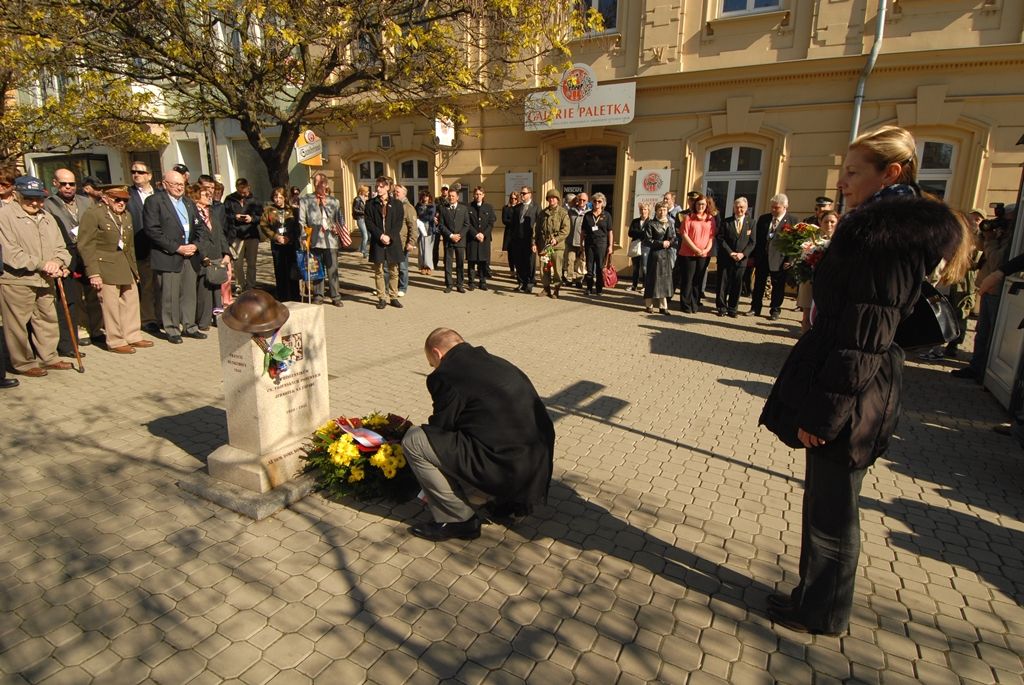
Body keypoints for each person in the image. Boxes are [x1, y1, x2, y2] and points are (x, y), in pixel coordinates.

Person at [759, 125, 969, 636]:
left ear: (890, 173)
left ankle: (823, 613)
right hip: (854, 382)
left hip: (854, 390)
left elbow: (866, 337)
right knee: (826, 502)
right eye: (843, 171)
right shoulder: (878, 227)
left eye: (854, 172)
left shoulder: (885, 236)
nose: (843, 182)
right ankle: (813, 596)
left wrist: (825, 415)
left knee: (832, 511)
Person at [401, 328, 555, 541]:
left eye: (431, 362)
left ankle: (458, 520)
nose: (433, 367)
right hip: (536, 464)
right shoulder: (495, 362)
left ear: (437, 353)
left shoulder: (447, 374)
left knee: (415, 441)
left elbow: (442, 428)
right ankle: (508, 503)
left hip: (506, 466)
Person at [0, 176, 74, 376]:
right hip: (17, 280)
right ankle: (23, 363)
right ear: (16, 195)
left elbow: (62, 248)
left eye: (39, 199)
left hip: (45, 279)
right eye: (29, 198)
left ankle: (48, 357)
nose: (35, 203)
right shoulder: (4, 216)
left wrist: (58, 263)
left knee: (47, 319)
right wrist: (43, 264)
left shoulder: (47, 217)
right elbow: (10, 253)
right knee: (17, 325)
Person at [77, 187, 154, 354]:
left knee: (131, 300)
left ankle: (132, 335)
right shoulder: (94, 214)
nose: (121, 203)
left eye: (125, 200)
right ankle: (115, 340)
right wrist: (93, 272)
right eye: (117, 199)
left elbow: (129, 245)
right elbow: (85, 245)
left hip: (125, 264)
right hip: (104, 265)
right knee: (110, 305)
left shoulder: (126, 215)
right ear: (105, 198)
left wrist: (135, 269)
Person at [951, 204, 1016, 381]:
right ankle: (976, 368)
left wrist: (992, 240)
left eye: (1007, 219)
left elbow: (996, 261)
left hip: (999, 292)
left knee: (991, 335)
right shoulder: (999, 234)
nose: (1002, 222)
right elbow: (980, 247)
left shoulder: (1013, 239)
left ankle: (986, 371)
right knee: (982, 332)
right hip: (988, 289)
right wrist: (986, 234)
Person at [143, 168, 207, 344]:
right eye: (175, 184)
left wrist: (196, 245)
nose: (179, 187)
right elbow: (152, 230)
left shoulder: (189, 203)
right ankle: (171, 329)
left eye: (182, 184)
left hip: (190, 254)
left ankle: (189, 326)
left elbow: (200, 227)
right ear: (165, 184)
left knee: (189, 293)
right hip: (169, 255)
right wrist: (177, 248)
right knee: (170, 295)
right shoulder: (154, 201)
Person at [43, 168, 102, 354]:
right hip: (66, 252)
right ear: (55, 184)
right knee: (71, 298)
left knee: (93, 292)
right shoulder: (48, 204)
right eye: (64, 184)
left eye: (72, 184)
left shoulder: (86, 201)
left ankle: (97, 329)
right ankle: (74, 337)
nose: (68, 187)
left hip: (87, 250)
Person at [299, 172, 346, 307]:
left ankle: (335, 296)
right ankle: (318, 295)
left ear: (325, 184)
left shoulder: (334, 201)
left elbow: (339, 220)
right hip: (314, 240)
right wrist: (303, 237)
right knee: (317, 270)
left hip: (330, 240)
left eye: (320, 183)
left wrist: (338, 228)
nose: (318, 185)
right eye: (316, 183)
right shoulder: (306, 200)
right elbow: (302, 221)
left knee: (332, 269)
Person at [190, 184, 232, 330]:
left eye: (209, 195)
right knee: (204, 290)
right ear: (196, 198)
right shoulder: (193, 213)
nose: (209, 198)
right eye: (205, 195)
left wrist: (226, 253)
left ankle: (218, 318)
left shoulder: (212, 212)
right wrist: (203, 256)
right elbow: (195, 237)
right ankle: (203, 320)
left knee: (217, 289)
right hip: (203, 256)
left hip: (217, 255)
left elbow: (220, 234)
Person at [749, 193, 798, 320]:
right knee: (759, 284)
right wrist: (753, 257)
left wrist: (790, 260)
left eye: (777, 208)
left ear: (785, 207)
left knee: (778, 286)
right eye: (772, 207)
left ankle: (775, 310)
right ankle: (755, 308)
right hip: (762, 258)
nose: (773, 210)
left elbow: (794, 243)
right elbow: (758, 240)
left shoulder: (793, 221)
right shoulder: (764, 219)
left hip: (780, 260)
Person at [365, 175, 410, 309]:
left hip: (392, 241)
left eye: (381, 186)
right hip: (378, 241)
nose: (378, 188)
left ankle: (393, 297)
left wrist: (389, 236)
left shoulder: (396, 204)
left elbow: (398, 223)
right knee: (379, 270)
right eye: (377, 186)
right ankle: (381, 297)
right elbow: (369, 222)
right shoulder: (370, 204)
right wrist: (380, 235)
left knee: (394, 270)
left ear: (388, 187)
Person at [127, 161, 161, 334]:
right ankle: (148, 319)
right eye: (133, 172)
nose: (136, 175)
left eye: (140, 172)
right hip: (140, 246)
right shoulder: (127, 195)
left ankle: (162, 316)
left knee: (161, 284)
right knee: (147, 285)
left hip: (161, 248)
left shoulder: (160, 194)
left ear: (149, 175)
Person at [796, 209, 839, 333]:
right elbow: (803, 259)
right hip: (810, 282)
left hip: (830, 285)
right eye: (826, 221)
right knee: (806, 317)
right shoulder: (812, 240)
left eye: (832, 222)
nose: (829, 225)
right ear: (821, 223)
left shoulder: (840, 241)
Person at [715, 197, 756, 318]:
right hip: (726, 258)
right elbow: (720, 239)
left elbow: (752, 242)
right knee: (723, 284)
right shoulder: (726, 221)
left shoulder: (752, 223)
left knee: (737, 285)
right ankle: (721, 308)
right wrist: (730, 252)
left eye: (742, 207)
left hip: (741, 260)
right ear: (733, 208)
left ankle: (733, 309)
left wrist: (743, 254)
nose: (739, 209)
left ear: (746, 208)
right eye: (737, 207)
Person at [259, 187, 301, 303]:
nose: (277, 200)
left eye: (280, 197)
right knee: (280, 271)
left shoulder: (292, 210)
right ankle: (283, 297)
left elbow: (297, 227)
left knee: (292, 271)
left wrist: (290, 237)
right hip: (277, 245)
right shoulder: (269, 210)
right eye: (275, 197)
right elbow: (264, 225)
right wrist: (275, 236)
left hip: (290, 244)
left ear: (284, 198)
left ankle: (295, 296)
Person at [677, 193, 716, 313]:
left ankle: (695, 303)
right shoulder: (688, 217)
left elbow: (711, 236)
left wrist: (705, 250)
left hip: (704, 255)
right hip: (688, 254)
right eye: (699, 204)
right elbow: (684, 235)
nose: (701, 206)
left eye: (703, 204)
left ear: (707, 205)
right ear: (695, 205)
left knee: (698, 280)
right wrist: (695, 249)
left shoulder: (710, 219)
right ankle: (685, 304)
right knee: (688, 280)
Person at [224, 178, 263, 292]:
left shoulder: (255, 200)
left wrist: (252, 218)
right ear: (236, 188)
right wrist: (234, 216)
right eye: (240, 191)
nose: (242, 194)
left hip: (251, 234)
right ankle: (240, 285)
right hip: (237, 234)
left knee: (252, 263)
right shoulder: (230, 199)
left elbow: (262, 217)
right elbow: (225, 215)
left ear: (248, 187)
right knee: (238, 263)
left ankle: (251, 285)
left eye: (244, 191)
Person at [642, 201, 676, 315]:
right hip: (655, 255)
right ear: (656, 211)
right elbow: (647, 240)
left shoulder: (670, 223)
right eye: (660, 210)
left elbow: (673, 237)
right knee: (652, 280)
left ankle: (663, 306)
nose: (663, 212)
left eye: (665, 210)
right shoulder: (651, 224)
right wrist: (661, 243)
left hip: (666, 255)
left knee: (664, 281)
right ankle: (649, 305)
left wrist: (669, 242)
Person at [534, 189, 569, 298]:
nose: (551, 200)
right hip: (544, 246)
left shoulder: (563, 213)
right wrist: (534, 243)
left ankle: (556, 289)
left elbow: (566, 230)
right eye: (550, 198)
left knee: (557, 269)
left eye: (554, 198)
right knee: (544, 268)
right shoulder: (543, 213)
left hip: (557, 246)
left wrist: (557, 239)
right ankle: (546, 289)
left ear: (558, 200)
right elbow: (536, 229)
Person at [437, 186, 470, 293]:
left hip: (460, 241)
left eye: (453, 196)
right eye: (449, 196)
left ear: (457, 197)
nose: (451, 198)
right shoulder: (443, 208)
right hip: (448, 240)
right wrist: (451, 235)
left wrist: (459, 235)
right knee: (448, 263)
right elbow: (441, 225)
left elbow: (467, 224)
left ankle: (460, 284)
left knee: (460, 264)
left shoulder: (464, 209)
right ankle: (449, 284)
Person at [386, 184, 416, 297]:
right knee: (389, 267)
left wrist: (411, 242)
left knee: (403, 267)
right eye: (394, 192)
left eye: (397, 192)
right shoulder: (392, 205)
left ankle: (402, 288)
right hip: (391, 241)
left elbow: (413, 227)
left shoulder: (408, 208)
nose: (395, 193)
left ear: (404, 194)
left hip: (402, 243)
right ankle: (389, 287)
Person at [582, 192, 612, 297]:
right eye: (594, 201)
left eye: (599, 201)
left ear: (603, 203)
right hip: (589, 244)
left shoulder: (607, 215)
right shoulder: (587, 215)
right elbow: (583, 231)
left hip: (602, 244)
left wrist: (610, 246)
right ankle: (589, 288)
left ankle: (599, 289)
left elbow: (610, 232)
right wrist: (582, 245)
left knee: (600, 267)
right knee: (589, 267)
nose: (597, 203)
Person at [467, 187, 496, 291]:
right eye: (476, 194)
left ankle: (482, 282)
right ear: (473, 195)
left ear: (483, 195)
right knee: (471, 261)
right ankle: (471, 282)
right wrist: (475, 234)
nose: (478, 196)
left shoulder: (489, 207)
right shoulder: (469, 207)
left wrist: (483, 234)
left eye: (480, 194)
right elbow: (467, 223)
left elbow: (491, 223)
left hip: (484, 239)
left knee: (483, 262)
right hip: (472, 239)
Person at [511, 187, 537, 292]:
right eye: (521, 193)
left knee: (529, 263)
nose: (522, 195)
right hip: (518, 240)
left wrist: (535, 241)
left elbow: (538, 225)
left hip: (530, 240)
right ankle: (521, 282)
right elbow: (513, 225)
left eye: (524, 193)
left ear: (530, 194)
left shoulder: (536, 207)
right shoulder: (517, 207)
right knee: (519, 262)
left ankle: (530, 283)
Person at [564, 192, 588, 287]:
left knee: (580, 262)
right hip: (570, 241)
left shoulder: (589, 213)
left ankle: (579, 280)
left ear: (587, 201)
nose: (581, 202)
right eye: (580, 200)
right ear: (577, 200)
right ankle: (569, 279)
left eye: (584, 200)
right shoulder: (571, 211)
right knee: (570, 260)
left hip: (582, 242)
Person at [627, 202, 651, 292]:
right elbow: (630, 233)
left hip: (645, 247)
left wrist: (637, 233)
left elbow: (648, 235)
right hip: (635, 246)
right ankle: (634, 285)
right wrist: (641, 233)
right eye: (641, 209)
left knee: (644, 267)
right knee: (635, 267)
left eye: (645, 209)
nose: (643, 211)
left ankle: (645, 286)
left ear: (648, 211)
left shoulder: (651, 222)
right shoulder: (635, 221)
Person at [416, 191, 437, 275]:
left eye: (427, 196)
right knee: (421, 249)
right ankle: (422, 266)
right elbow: (417, 214)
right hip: (420, 228)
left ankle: (429, 267)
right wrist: (422, 216)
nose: (425, 198)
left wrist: (422, 216)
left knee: (428, 249)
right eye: (424, 196)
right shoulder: (418, 205)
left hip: (430, 229)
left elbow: (430, 216)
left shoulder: (432, 205)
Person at [501, 191, 519, 280]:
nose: (513, 200)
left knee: (518, 253)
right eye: (512, 198)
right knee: (510, 253)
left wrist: (512, 221)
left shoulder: (519, 208)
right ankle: (512, 270)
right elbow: (504, 220)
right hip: (509, 234)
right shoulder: (506, 208)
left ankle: (518, 270)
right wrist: (514, 222)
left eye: (515, 198)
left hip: (518, 234)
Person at [352, 184, 370, 259]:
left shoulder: (365, 199)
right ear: (363, 191)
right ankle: (364, 251)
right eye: (367, 191)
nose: (368, 192)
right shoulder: (357, 199)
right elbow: (355, 210)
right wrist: (364, 212)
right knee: (365, 236)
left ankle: (360, 248)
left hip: (365, 219)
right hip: (360, 219)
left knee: (367, 236)